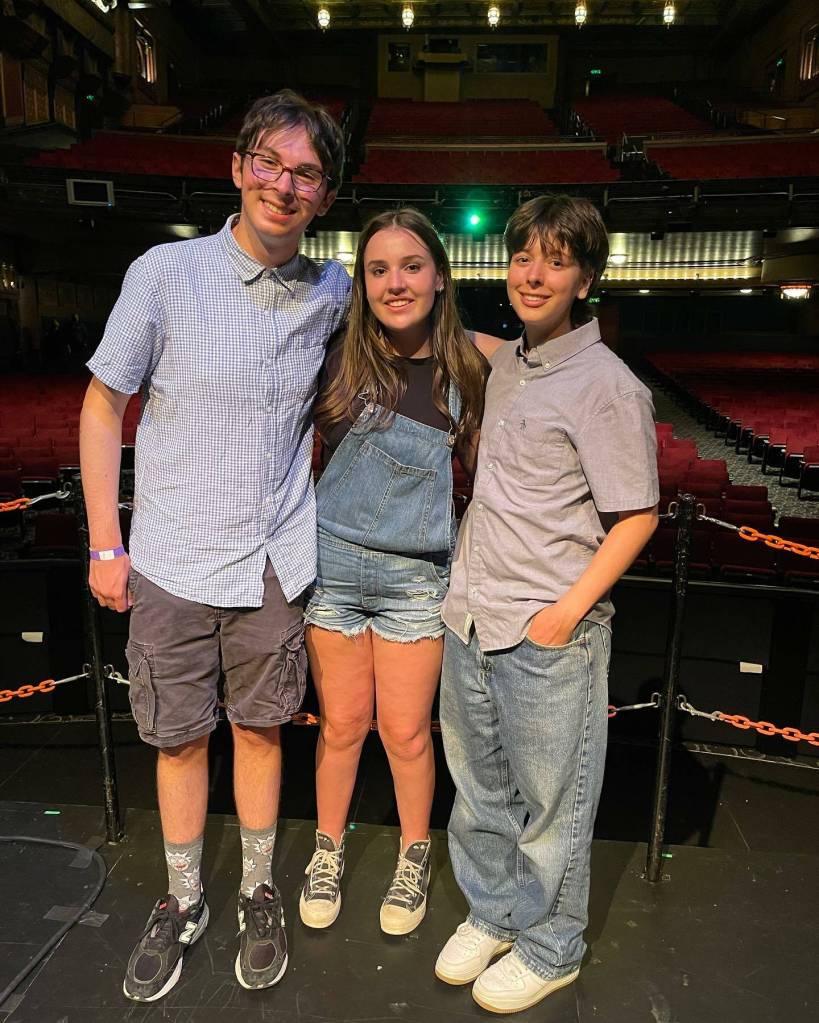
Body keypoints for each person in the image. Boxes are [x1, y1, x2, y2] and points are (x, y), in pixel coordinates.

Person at [79, 90, 349, 1002]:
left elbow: (415, 337)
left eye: (306, 173)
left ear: (322, 196)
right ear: (236, 167)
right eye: (268, 162)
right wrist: (103, 544)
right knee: (180, 740)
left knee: (262, 731)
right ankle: (185, 897)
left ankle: (261, 889)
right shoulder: (164, 272)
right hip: (172, 560)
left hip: (273, 560)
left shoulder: (332, 289)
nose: (284, 183)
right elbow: (101, 403)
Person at [435, 194, 659, 1013]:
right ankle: (495, 912)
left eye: (554, 260)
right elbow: (449, 332)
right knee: (480, 791)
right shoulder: (508, 364)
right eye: (522, 256)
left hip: (544, 630)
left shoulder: (607, 385)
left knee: (552, 808)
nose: (533, 273)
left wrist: (565, 613)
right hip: (469, 615)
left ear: (585, 277)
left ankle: (552, 942)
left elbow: (637, 515)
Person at [298, 208, 502, 936]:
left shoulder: (472, 366)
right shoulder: (333, 356)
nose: (395, 282)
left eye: (411, 265)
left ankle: (414, 852)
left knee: (407, 733)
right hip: (333, 571)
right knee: (341, 725)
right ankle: (328, 849)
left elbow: (480, 472)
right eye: (378, 269)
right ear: (361, 283)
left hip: (417, 578)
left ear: (439, 277)